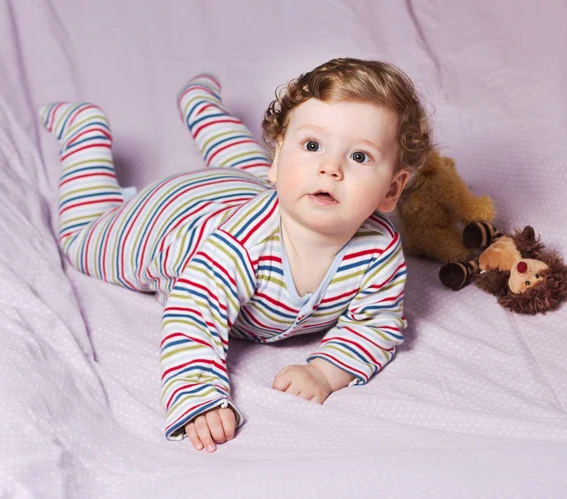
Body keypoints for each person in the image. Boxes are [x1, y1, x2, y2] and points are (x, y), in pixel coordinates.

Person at [38, 57, 432, 453]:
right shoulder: (236, 247)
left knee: (254, 171)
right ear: (280, 156)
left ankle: (202, 107)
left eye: (359, 157)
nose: (330, 168)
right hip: (172, 216)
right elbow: (194, 315)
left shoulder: (378, 249)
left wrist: (327, 372)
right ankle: (85, 134)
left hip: (248, 188)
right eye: (312, 145)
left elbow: (376, 323)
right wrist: (198, 396)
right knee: (80, 242)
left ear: (392, 190)